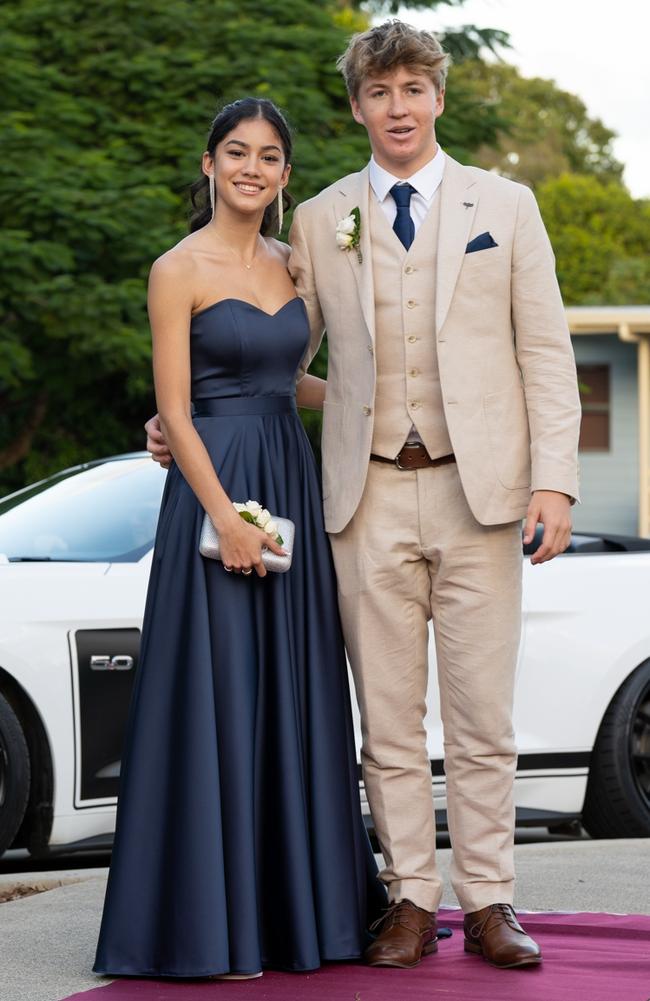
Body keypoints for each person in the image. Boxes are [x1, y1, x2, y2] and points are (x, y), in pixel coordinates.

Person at [147, 20, 581, 972]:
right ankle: (411, 902)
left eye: (413, 89)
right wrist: (184, 419)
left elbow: (545, 352)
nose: (398, 107)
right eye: (379, 92)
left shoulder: (505, 206)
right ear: (357, 107)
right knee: (384, 715)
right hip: (363, 493)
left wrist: (556, 476)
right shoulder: (319, 218)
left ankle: (492, 897)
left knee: (480, 713)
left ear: (437, 99)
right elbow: (273, 350)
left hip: (484, 494)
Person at [93, 97, 385, 982]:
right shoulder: (175, 268)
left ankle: (301, 917)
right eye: (236, 152)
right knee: (217, 691)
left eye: (268, 156)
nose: (252, 168)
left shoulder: (300, 263)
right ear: (211, 163)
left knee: (292, 688)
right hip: (212, 489)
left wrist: (378, 407)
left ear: (286, 175)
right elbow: (174, 411)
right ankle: (208, 928)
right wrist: (223, 516)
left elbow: (290, 377)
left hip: (288, 477)